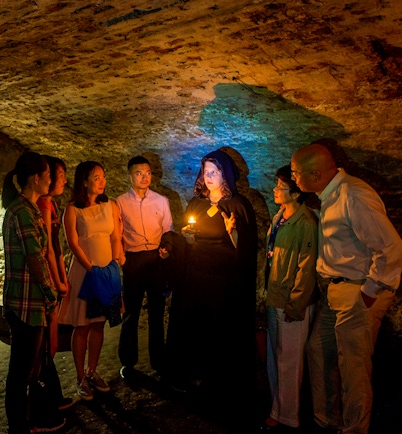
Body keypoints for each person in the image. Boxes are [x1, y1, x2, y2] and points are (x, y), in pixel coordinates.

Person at [291, 141, 402, 434]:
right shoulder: (328, 195)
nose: (293, 178)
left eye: (296, 173)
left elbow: (390, 248)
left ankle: (355, 429)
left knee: (353, 368)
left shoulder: (353, 195)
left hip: (357, 292)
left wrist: (369, 291)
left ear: (316, 174)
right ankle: (327, 420)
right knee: (319, 350)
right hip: (335, 292)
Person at [164, 149, 258, 407]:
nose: (209, 177)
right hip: (196, 276)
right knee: (196, 326)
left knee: (219, 329)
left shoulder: (238, 205)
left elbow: (246, 250)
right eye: (206, 171)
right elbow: (188, 236)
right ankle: (193, 373)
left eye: (214, 172)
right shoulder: (196, 203)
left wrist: (233, 232)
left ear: (225, 175)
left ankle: (219, 380)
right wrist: (185, 236)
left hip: (223, 280)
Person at [1, 151, 65, 434]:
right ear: (35, 178)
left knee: (25, 368)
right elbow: (36, 259)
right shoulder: (24, 212)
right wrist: (51, 294)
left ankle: (24, 422)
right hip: (26, 302)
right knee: (21, 372)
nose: (51, 181)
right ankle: (19, 426)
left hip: (25, 300)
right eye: (48, 176)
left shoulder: (25, 208)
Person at [59, 160, 124, 401]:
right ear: (84, 181)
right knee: (82, 325)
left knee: (98, 323)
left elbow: (116, 236)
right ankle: (79, 378)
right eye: (96, 177)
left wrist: (115, 262)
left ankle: (92, 370)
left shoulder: (111, 206)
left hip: (107, 271)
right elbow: (73, 243)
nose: (102, 181)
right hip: (85, 273)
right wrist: (91, 268)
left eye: (103, 177)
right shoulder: (73, 209)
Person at [262, 165, 318, 430]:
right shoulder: (279, 218)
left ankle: (288, 417)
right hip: (275, 297)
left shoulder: (305, 224)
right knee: (275, 357)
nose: (275, 190)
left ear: (296, 194)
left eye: (280, 186)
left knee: (290, 362)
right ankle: (278, 408)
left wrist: (296, 303)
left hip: (291, 302)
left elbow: (306, 268)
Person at [116, 155, 174, 380]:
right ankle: (128, 362)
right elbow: (117, 233)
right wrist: (121, 258)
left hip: (156, 259)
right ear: (130, 176)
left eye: (148, 173)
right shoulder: (120, 203)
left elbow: (168, 228)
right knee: (131, 313)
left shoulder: (161, 201)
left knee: (157, 313)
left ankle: (159, 361)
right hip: (134, 260)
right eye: (139, 173)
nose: (144, 177)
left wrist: (167, 248)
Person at [36, 155, 74, 412]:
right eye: (58, 175)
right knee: (47, 340)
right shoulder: (41, 206)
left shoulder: (52, 205)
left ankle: (53, 395)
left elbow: (58, 249)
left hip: (54, 277)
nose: (63, 180)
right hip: (45, 282)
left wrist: (64, 277)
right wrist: (57, 281)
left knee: (51, 338)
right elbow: (47, 249)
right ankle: (45, 400)